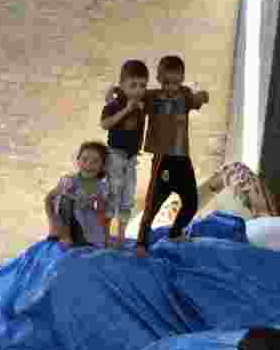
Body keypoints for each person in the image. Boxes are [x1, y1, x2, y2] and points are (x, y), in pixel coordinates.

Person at [106, 55, 211, 257]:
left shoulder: (185, 96)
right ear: (159, 78)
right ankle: (141, 243)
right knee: (152, 205)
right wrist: (114, 91)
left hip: (182, 158)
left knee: (191, 202)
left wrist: (203, 96)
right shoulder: (151, 96)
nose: (171, 87)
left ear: (182, 80)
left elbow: (197, 99)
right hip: (162, 160)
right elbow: (130, 92)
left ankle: (175, 232)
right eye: (166, 82)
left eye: (176, 82)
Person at [99, 60, 149, 249]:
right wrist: (125, 109)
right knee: (113, 194)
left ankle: (120, 237)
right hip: (115, 155)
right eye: (133, 85)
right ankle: (105, 236)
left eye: (142, 85)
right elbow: (105, 124)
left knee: (128, 197)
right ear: (123, 86)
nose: (138, 90)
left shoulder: (143, 102)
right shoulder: (115, 103)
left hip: (131, 158)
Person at [44, 141, 111, 248]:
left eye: (95, 161)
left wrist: (105, 237)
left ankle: (82, 238)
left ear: (103, 166)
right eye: (84, 159)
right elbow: (48, 200)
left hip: (84, 224)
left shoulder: (101, 187)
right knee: (65, 197)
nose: (88, 164)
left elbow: (102, 213)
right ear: (78, 160)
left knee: (89, 243)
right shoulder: (68, 180)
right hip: (64, 224)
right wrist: (53, 224)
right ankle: (65, 235)